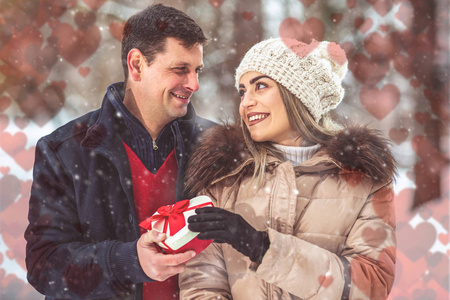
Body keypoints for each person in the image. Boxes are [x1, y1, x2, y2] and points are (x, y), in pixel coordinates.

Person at [180, 38, 397, 299]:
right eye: (242, 91)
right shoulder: (223, 179)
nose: (246, 102)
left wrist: (263, 248)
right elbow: (201, 285)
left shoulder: (364, 178)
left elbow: (371, 285)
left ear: (298, 94)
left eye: (260, 86)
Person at [25, 4, 215, 299]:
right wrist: (127, 262)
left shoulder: (216, 146)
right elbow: (44, 264)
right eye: (180, 69)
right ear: (137, 64)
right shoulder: (64, 150)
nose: (194, 84)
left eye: (197, 70)